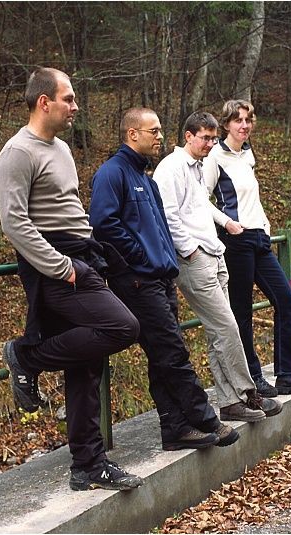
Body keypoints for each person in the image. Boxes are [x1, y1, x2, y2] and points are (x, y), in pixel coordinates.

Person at [0, 67, 143, 492]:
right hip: (58, 267)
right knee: (123, 326)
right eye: (69, 98)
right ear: (45, 102)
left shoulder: (60, 148)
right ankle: (27, 357)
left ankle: (88, 465)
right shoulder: (17, 152)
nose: (75, 107)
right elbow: (14, 223)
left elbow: (67, 209)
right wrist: (62, 267)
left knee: (85, 365)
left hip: (82, 256)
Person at [88, 107, 239, 451]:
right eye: (153, 131)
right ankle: (205, 418)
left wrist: (166, 262)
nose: (159, 136)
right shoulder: (112, 174)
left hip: (160, 277)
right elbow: (104, 225)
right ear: (132, 134)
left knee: (162, 357)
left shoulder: (144, 176)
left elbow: (159, 228)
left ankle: (175, 429)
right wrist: (141, 259)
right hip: (137, 281)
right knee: (172, 351)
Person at [152, 111, 282, 422]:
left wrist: (225, 224)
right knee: (226, 327)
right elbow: (167, 216)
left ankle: (230, 402)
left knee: (217, 333)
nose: (211, 144)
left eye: (213, 138)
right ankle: (247, 393)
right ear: (188, 136)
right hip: (194, 259)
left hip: (214, 251)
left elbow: (202, 207)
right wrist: (191, 251)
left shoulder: (198, 167)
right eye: (205, 138)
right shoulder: (171, 168)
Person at [203, 100, 291, 396]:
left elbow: (251, 197)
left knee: (286, 300)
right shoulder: (215, 156)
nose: (244, 126)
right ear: (226, 124)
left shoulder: (248, 153)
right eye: (238, 120)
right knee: (241, 311)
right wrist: (228, 223)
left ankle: (288, 374)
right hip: (236, 240)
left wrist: (265, 225)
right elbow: (201, 198)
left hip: (259, 239)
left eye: (248, 120)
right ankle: (253, 377)